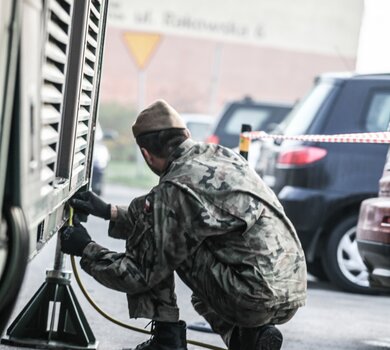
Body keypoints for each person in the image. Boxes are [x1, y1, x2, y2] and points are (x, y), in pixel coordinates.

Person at [60, 99, 307, 350]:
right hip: (292, 289)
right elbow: (160, 208)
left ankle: (167, 342)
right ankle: (250, 338)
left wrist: (86, 248)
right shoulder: (221, 155)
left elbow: (138, 274)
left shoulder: (174, 189)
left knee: (164, 242)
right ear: (186, 134)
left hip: (251, 297)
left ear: (146, 154)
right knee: (176, 240)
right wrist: (107, 211)